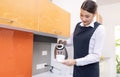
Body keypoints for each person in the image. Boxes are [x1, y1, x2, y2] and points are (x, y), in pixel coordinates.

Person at [59, 0, 106, 77]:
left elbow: (96, 56)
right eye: (81, 15)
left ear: (94, 15)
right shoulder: (78, 25)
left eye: (87, 16)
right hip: (77, 69)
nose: (83, 19)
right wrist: (64, 42)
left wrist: (75, 61)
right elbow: (72, 41)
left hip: (90, 71)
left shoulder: (99, 29)